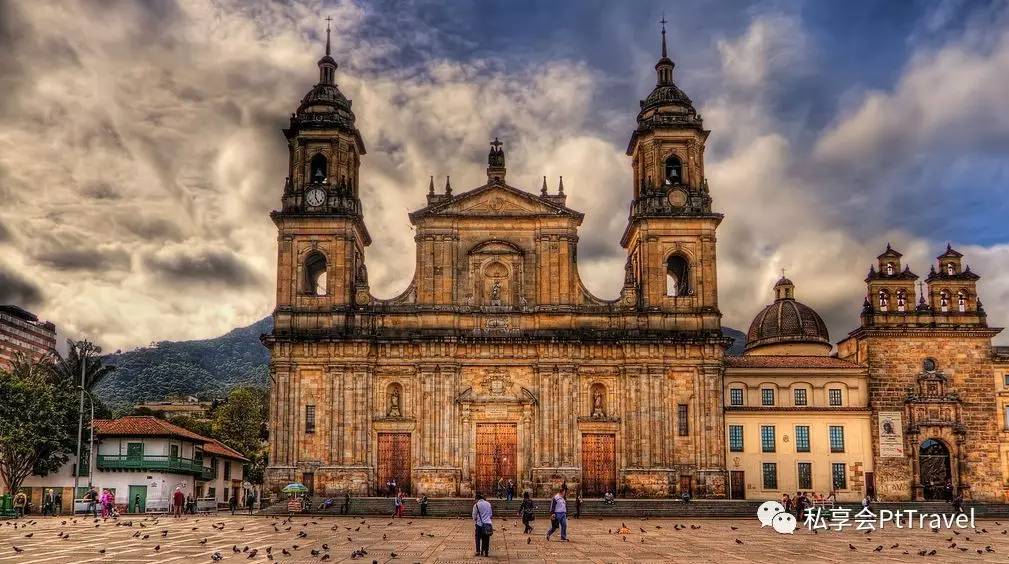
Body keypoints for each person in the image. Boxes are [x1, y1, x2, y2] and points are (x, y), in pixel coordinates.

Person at [472, 493, 493, 557]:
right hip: (488, 524)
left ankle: (478, 551)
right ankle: (486, 552)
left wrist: (476, 519)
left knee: (477, 538)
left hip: (479, 524)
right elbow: (490, 514)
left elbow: (474, 516)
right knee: (486, 538)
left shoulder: (476, 505)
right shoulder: (488, 504)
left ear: (477, 499)